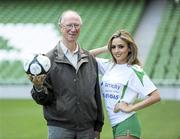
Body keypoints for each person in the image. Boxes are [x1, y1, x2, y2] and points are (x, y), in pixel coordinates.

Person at [28, 10, 104, 139]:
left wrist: (98, 125)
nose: (73, 29)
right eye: (69, 25)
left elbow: (95, 94)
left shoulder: (90, 58)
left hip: (88, 129)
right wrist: (38, 87)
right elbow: (43, 100)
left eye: (76, 25)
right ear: (61, 27)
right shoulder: (47, 60)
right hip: (60, 129)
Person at [90, 30, 160, 139]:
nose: (116, 51)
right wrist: (106, 48)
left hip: (127, 123)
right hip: (115, 124)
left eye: (121, 47)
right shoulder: (108, 65)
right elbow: (86, 56)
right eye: (113, 47)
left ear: (129, 48)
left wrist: (130, 108)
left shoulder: (135, 70)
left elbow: (156, 96)